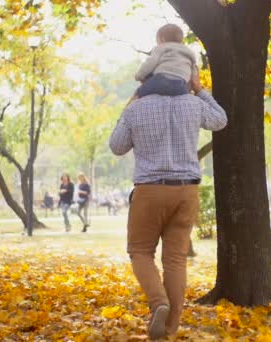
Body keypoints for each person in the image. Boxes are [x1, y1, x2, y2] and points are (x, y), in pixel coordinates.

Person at [109, 68, 227, 339]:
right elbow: (221, 120)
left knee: (140, 252)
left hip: (150, 190)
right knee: (175, 260)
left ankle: (158, 302)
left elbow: (117, 146)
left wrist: (129, 105)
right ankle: (169, 330)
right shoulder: (193, 104)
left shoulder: (136, 109)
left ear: (145, 81)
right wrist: (199, 89)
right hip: (187, 191)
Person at [129, 24, 196, 105]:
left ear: (162, 39)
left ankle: (126, 113)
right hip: (181, 84)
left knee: (138, 93)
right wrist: (190, 88)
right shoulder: (189, 52)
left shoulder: (162, 47)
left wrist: (139, 75)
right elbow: (194, 71)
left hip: (161, 80)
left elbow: (150, 63)